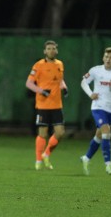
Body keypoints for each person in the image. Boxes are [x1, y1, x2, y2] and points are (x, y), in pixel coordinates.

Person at [80, 47, 111, 175]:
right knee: (106, 132)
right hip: (97, 107)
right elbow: (84, 82)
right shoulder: (95, 70)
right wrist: (91, 94)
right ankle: (108, 165)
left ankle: (86, 158)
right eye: (106, 57)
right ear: (103, 58)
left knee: (99, 135)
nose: (108, 59)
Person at [26, 40, 68, 171]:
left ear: (56, 50)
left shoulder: (60, 64)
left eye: (53, 48)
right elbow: (29, 83)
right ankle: (38, 160)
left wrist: (64, 87)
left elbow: (59, 80)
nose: (51, 50)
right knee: (42, 134)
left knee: (60, 133)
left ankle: (46, 154)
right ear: (45, 51)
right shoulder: (38, 65)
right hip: (43, 105)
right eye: (49, 48)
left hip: (57, 105)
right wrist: (41, 91)